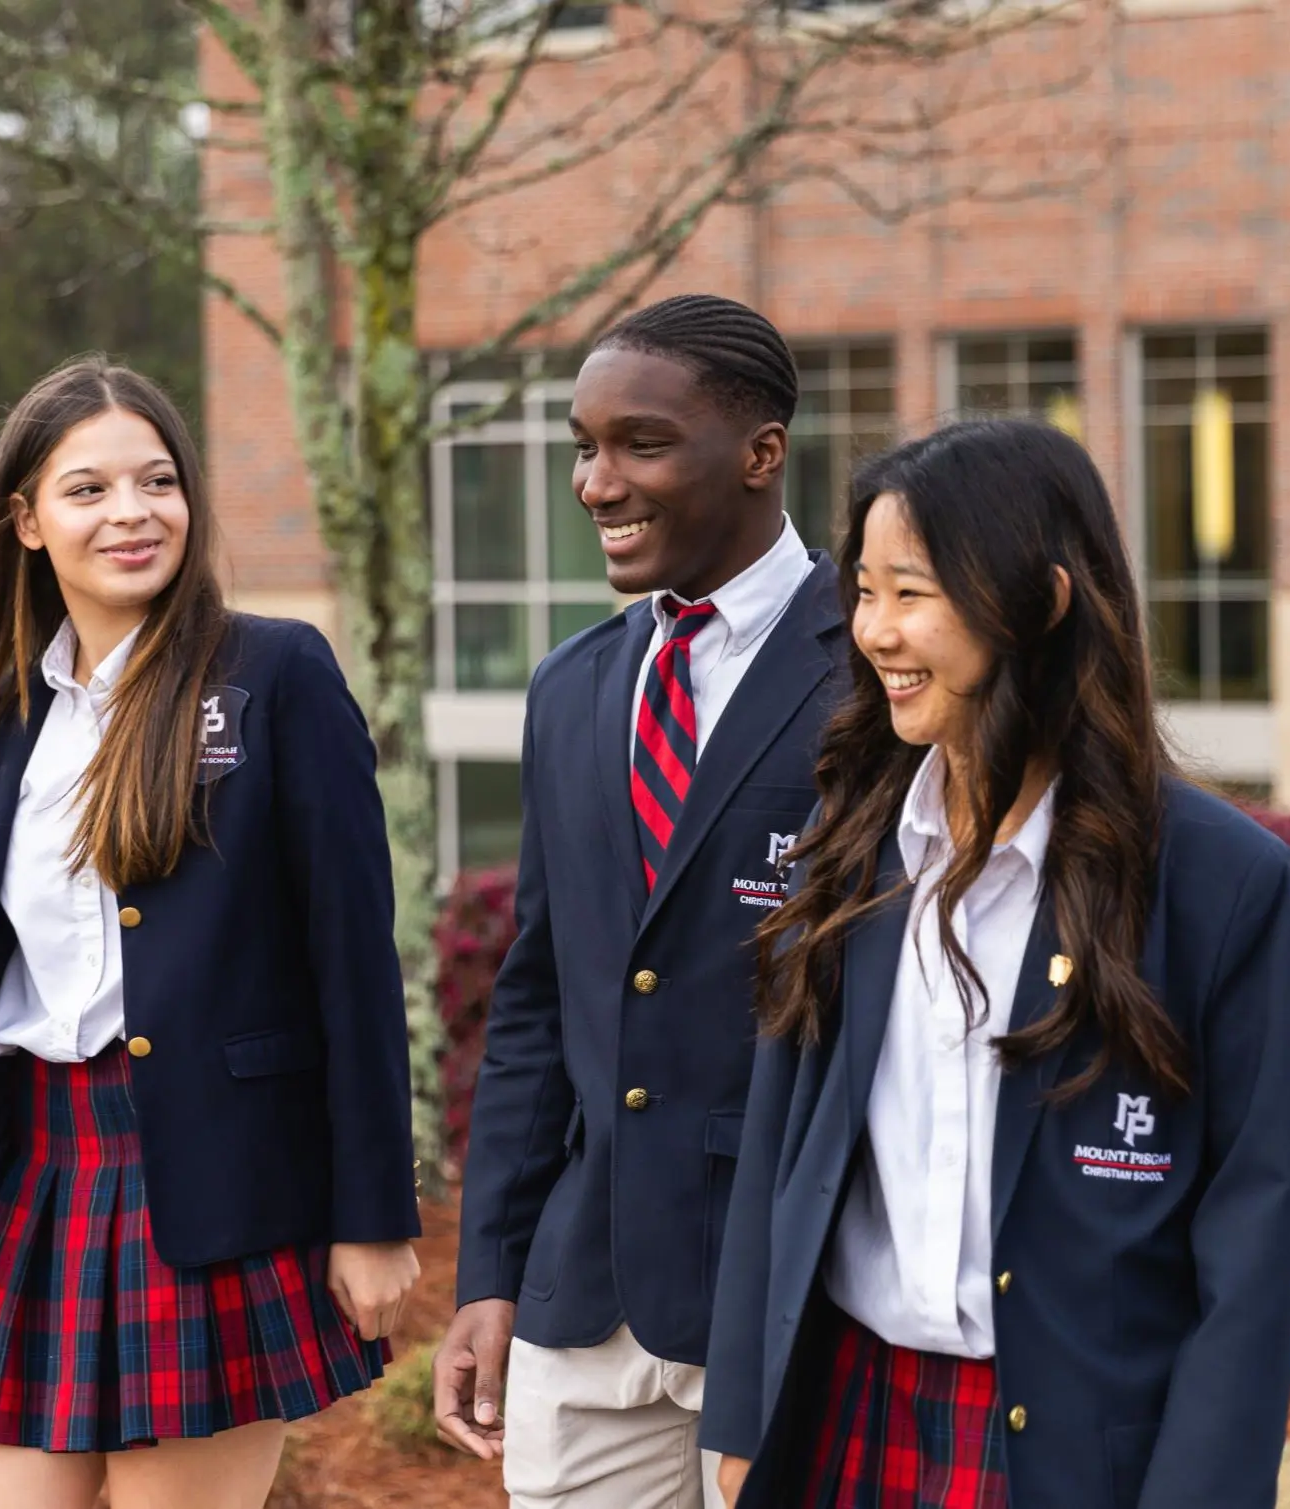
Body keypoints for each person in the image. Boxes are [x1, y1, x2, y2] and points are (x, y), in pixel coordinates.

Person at [700, 419, 1290, 1509]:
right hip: (850, 1413)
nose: (874, 633)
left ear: (1038, 603)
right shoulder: (848, 845)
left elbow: (1256, 1240)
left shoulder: (1224, 885)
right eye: (863, 591)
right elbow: (779, 1150)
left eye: (912, 593)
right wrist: (743, 1419)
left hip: (1076, 1449)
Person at [0, 357, 421, 1509]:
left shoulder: (275, 675)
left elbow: (355, 963)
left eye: (157, 481)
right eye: (88, 489)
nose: (132, 512)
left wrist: (374, 1218)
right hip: (31, 1176)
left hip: (210, 1186)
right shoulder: (5, 712)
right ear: (25, 520)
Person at [431, 293, 850, 1508]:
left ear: (763, 452)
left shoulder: (877, 679)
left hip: (785, 1295)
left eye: (641, 445)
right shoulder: (572, 686)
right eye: (584, 445)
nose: (595, 483)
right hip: (587, 1299)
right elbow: (537, 1004)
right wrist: (491, 1272)